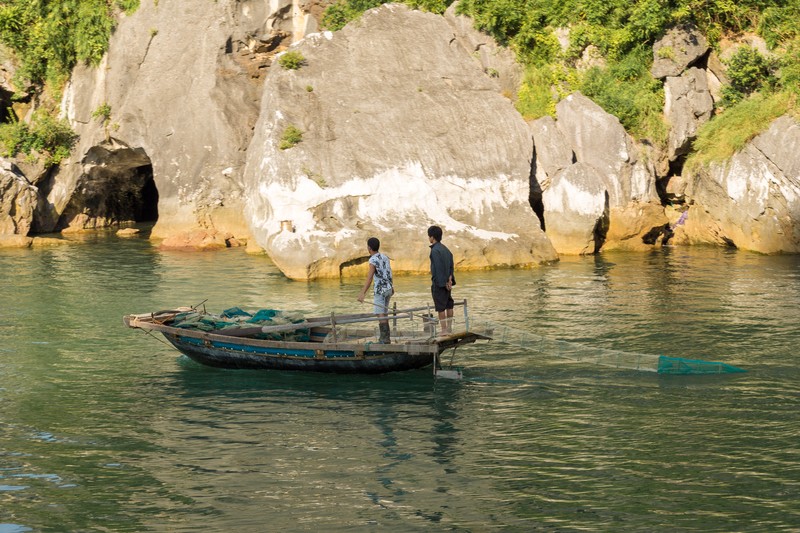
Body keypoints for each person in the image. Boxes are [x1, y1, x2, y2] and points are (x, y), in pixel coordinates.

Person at [357, 237, 394, 343]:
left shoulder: (372, 260)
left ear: (369, 247)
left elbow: (369, 278)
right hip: (388, 288)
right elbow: (389, 272)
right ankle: (386, 338)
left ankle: (384, 339)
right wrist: (392, 286)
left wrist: (362, 293)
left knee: (380, 314)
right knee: (384, 313)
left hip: (380, 290)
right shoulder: (385, 257)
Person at [427, 225, 455, 335]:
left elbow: (438, 268)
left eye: (429, 236)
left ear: (432, 237)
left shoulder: (435, 251)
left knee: (440, 307)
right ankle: (449, 328)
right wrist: (450, 280)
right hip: (448, 282)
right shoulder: (446, 250)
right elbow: (451, 266)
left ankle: (443, 330)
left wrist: (443, 283)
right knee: (449, 304)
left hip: (439, 283)